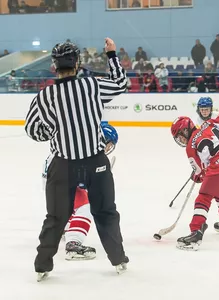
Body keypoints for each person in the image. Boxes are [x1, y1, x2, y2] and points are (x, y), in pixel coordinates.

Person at [24, 38, 128, 282]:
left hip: (63, 165)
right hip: (96, 163)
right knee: (105, 212)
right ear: (77, 63)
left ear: (54, 65)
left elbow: (32, 129)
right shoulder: (92, 85)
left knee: (56, 216)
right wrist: (111, 55)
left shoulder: (45, 95)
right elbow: (121, 84)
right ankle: (118, 258)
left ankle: (42, 265)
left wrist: (51, 130)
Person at [41, 121, 119, 261]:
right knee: (85, 207)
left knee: (65, 209)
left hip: (52, 180)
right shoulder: (85, 154)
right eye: (109, 143)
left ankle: (67, 229)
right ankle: (73, 244)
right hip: (61, 180)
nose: (108, 148)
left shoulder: (74, 146)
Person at [170, 109, 219, 251]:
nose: (180, 140)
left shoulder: (190, 149)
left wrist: (197, 176)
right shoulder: (209, 123)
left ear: (185, 131)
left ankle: (196, 232)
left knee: (204, 196)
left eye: (180, 137)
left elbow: (200, 173)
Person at [193, 97, 219, 196]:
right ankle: (210, 185)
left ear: (211, 109)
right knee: (208, 167)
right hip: (207, 148)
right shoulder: (196, 122)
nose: (204, 112)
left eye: (206, 109)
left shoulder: (217, 117)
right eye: (202, 109)